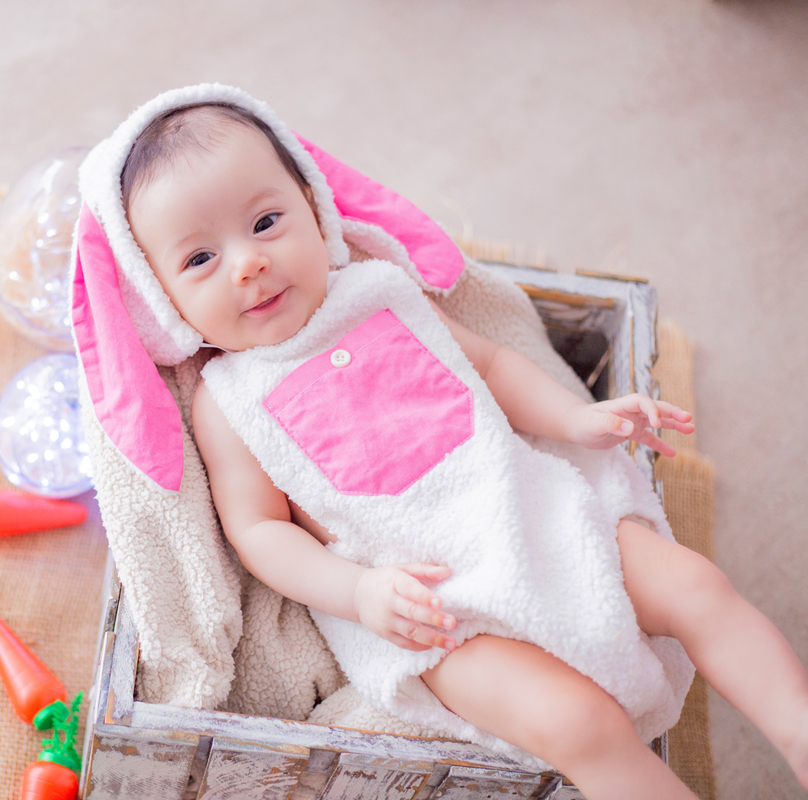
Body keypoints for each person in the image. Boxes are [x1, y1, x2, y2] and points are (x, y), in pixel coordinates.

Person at [107, 99, 808, 798]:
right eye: (200, 258)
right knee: (577, 725)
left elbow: (493, 367)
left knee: (697, 587)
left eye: (265, 222)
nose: (249, 264)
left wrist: (577, 419)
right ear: (163, 298)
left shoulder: (380, 294)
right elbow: (259, 532)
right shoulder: (228, 400)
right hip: (429, 609)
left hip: (529, 510)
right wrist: (359, 591)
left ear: (317, 212)